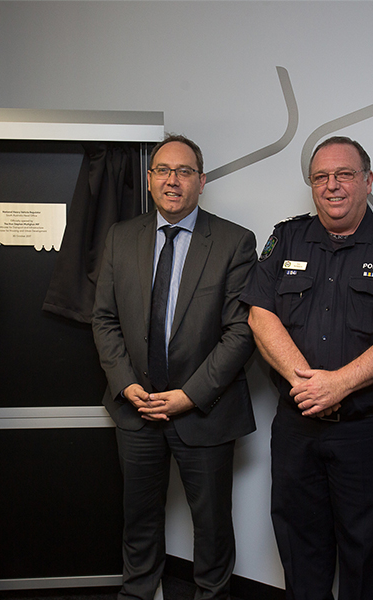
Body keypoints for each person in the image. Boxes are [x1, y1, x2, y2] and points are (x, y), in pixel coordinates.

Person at [91, 134, 256, 600]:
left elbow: (241, 332)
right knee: (139, 520)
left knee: (212, 525)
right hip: (137, 409)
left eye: (184, 172)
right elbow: (104, 318)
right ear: (149, 179)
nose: (172, 180)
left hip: (203, 410)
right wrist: (125, 384)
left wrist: (189, 396)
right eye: (163, 170)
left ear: (201, 182)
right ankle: (138, 592)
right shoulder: (121, 237)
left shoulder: (234, 242)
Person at [240, 137, 373, 600]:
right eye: (321, 177)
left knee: (366, 555)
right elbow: (260, 315)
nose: (332, 186)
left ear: (367, 181)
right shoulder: (287, 237)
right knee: (300, 549)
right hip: (297, 427)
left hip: (367, 431)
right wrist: (307, 384)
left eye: (344, 175)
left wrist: (340, 384)